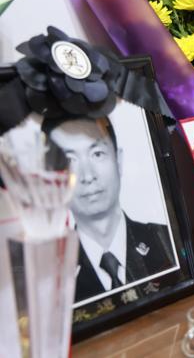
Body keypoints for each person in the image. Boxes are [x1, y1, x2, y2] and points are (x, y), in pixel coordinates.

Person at [43, 116, 175, 302]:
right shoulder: (48, 275)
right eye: (69, 160)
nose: (88, 176)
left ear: (119, 161)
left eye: (97, 154)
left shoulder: (165, 239)